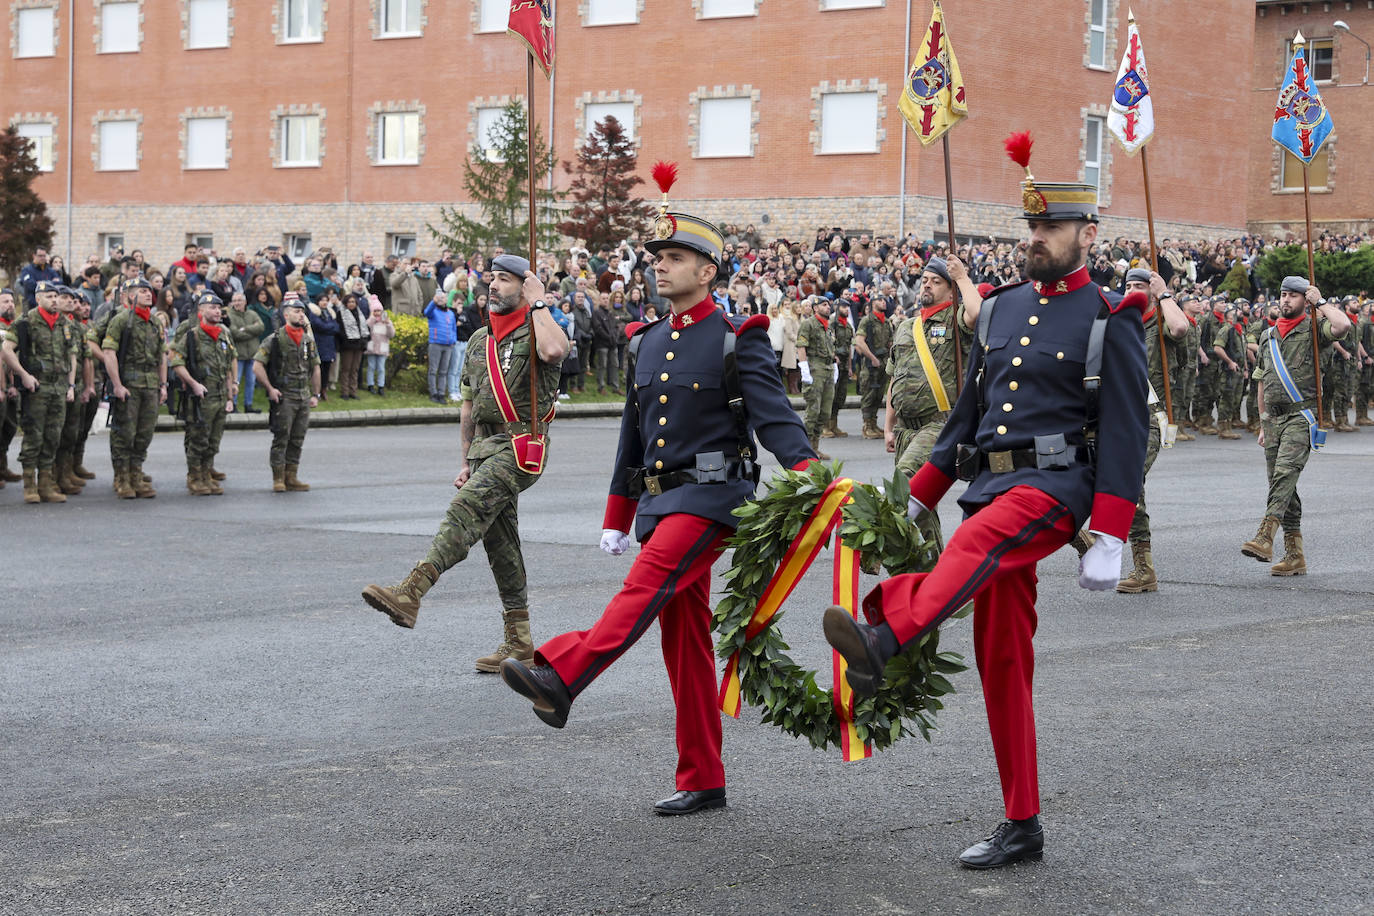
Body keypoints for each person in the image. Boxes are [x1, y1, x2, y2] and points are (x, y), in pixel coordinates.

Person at [822, 160, 1148, 868]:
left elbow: (1126, 427)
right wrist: (921, 491)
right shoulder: (999, 307)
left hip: (1056, 489)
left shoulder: (1111, 316)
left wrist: (1112, 534)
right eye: (1031, 224)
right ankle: (1022, 821)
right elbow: (969, 412)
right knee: (1002, 660)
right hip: (992, 484)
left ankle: (886, 632)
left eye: (1051, 226)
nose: (1036, 236)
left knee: (976, 540)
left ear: (1087, 234)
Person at [498, 192, 814, 816]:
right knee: (684, 642)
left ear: (708, 271)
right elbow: (632, 440)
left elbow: (776, 421)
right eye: (658, 257)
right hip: (660, 502)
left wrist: (811, 476)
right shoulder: (646, 343)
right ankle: (703, 774)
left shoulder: (737, 339)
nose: (660, 267)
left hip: (715, 498)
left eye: (675, 257)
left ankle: (563, 674)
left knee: (641, 591)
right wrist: (617, 517)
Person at [361, 255, 567, 671]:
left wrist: (540, 302)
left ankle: (411, 591)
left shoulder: (537, 327)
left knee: (467, 507)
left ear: (524, 288)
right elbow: (468, 409)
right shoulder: (478, 341)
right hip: (485, 449)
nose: (493, 285)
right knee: (501, 543)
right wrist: (466, 461)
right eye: (492, 278)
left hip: (521, 446)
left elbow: (556, 350)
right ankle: (520, 641)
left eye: (505, 280)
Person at [1240, 277, 1348, 576]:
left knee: (1285, 472)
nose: (1285, 300)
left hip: (1301, 416)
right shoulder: (1268, 336)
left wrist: (1322, 302)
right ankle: (1295, 555)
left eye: (1293, 296)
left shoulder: (1315, 329)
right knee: (1281, 482)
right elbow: (1261, 379)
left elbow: (1342, 327)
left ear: (1304, 300)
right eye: (1283, 295)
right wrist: (1262, 422)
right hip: (1272, 420)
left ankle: (1265, 535)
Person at [882, 257, 976, 554]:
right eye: (924, 280)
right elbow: (894, 379)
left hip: (938, 425)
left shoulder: (955, 317)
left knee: (903, 484)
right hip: (905, 430)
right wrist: (888, 427)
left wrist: (961, 277)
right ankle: (935, 577)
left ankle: (870, 546)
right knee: (921, 511)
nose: (927, 285)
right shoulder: (906, 326)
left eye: (936, 282)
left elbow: (977, 312)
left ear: (951, 292)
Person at [1115, 268, 1189, 593]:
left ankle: (1137, 566)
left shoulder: (1159, 321)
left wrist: (1165, 293)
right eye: (1128, 285)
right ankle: (1144, 571)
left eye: (1139, 285)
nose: (1132, 289)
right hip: (1120, 416)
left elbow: (1181, 327)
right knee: (1133, 491)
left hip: (1150, 417)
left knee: (1128, 479)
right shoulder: (1119, 323)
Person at [1, 281, 76, 502]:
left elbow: (71, 355)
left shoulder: (63, 322)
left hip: (59, 386)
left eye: (56, 296)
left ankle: (46, 484)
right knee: (34, 436)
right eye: (50, 296)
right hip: (37, 387)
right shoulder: (26, 322)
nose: (54, 300)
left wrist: (71, 385)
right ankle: (30, 485)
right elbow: (6, 350)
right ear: (38, 297)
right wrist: (23, 375)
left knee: (53, 436)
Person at [100, 278, 168, 499]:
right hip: (129, 382)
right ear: (130, 295)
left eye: (150, 291)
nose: (148, 294)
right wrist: (117, 384)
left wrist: (163, 384)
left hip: (150, 384)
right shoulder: (121, 320)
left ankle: (136, 475)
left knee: (144, 433)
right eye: (142, 291)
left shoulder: (155, 323)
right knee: (124, 434)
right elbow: (109, 353)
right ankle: (122, 478)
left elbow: (162, 357)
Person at [168, 292, 237, 495]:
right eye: (212, 308)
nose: (217, 311)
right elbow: (176, 361)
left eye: (219, 308)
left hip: (220, 395)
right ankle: (195, 478)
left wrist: (232, 389)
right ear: (201, 311)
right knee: (198, 440)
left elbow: (228, 363)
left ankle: (207, 475)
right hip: (202, 397)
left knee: (213, 441)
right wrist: (192, 383)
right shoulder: (193, 335)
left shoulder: (223, 333)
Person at [253, 293, 321, 493]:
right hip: (284, 397)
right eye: (296, 311)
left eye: (302, 311)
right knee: (281, 437)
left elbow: (316, 367)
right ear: (285, 314)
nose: (301, 315)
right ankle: (278, 477)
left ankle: (292, 476)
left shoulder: (308, 340)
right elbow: (257, 366)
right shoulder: (274, 339)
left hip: (303, 396)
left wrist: (315, 394)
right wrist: (270, 388)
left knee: (298, 438)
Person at [795, 296, 836, 459]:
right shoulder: (808, 324)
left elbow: (830, 348)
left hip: (827, 368)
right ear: (815, 308)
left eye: (828, 305)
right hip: (814, 368)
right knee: (813, 410)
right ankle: (805, 449)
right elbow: (801, 347)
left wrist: (835, 364)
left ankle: (815, 447)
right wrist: (804, 368)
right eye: (824, 305)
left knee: (825, 412)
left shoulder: (828, 327)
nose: (828, 307)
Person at [853, 296, 892, 438]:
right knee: (868, 395)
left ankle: (874, 424)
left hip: (883, 362)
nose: (884, 302)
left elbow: (890, 343)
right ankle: (867, 426)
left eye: (884, 300)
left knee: (878, 395)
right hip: (871, 364)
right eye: (880, 300)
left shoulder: (886, 322)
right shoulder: (867, 320)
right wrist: (872, 357)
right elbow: (859, 341)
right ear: (872, 303)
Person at [226, 291, 264, 413]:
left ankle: (249, 405)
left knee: (251, 381)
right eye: (235, 300)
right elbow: (235, 334)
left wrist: (245, 329)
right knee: (235, 380)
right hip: (238, 355)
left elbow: (261, 327)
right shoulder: (229, 316)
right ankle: (234, 404)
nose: (237, 303)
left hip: (252, 353)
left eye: (239, 300)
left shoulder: (252, 314)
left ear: (245, 301)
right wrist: (253, 331)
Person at [423, 286, 457, 403]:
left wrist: (453, 341)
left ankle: (441, 394)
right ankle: (433, 393)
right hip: (435, 344)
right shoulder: (433, 311)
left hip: (448, 345)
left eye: (444, 298)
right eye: (440, 298)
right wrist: (433, 301)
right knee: (433, 370)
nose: (442, 300)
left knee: (443, 371)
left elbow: (453, 329)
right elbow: (426, 312)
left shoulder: (450, 313)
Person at [826, 300, 854, 438]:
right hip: (833, 363)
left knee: (840, 396)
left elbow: (849, 347)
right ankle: (825, 426)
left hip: (843, 364)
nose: (846, 309)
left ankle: (833, 424)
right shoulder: (832, 323)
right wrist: (833, 356)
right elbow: (828, 342)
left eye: (847, 307)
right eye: (844, 307)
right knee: (830, 394)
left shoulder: (848, 326)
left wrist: (849, 366)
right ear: (837, 308)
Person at [336, 292, 368, 400]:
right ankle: (344, 391)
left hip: (358, 345)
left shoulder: (359, 313)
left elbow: (363, 329)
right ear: (345, 303)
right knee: (346, 369)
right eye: (349, 302)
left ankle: (353, 391)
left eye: (353, 302)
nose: (351, 304)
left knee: (355, 369)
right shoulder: (341, 314)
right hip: (347, 345)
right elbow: (340, 331)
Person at [365, 298, 394, 394]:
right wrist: (373, 319)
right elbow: (366, 327)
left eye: (379, 311)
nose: (377, 313)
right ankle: (370, 385)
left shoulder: (387, 322)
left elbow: (391, 334)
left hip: (382, 349)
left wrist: (388, 324)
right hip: (372, 347)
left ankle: (381, 386)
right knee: (371, 367)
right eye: (375, 311)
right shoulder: (370, 321)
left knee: (381, 368)